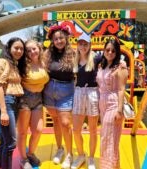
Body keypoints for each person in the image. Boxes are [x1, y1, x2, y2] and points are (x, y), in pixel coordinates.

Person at [43, 25, 75, 169]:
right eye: (56, 39)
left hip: (66, 89)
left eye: (61, 38)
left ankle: (69, 154)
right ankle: (60, 148)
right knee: (55, 121)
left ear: (66, 38)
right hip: (49, 90)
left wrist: (121, 62)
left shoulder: (74, 53)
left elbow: (90, 60)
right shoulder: (47, 54)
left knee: (66, 123)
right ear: (52, 40)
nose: (59, 40)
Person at [0, 37, 26, 169]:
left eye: (21, 49)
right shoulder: (3, 62)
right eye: (16, 48)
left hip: (14, 102)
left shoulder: (14, 64)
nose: (19, 51)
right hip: (7, 102)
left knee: (4, 140)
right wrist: (4, 111)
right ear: (9, 48)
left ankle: (0, 166)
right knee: (11, 143)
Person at [17, 40, 49, 169]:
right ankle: (23, 159)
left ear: (39, 48)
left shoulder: (44, 63)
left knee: (38, 130)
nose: (32, 52)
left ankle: (30, 153)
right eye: (28, 50)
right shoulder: (22, 64)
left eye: (34, 49)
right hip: (24, 98)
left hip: (38, 99)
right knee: (23, 132)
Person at [96, 39, 128, 169]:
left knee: (108, 139)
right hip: (103, 104)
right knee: (107, 137)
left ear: (117, 52)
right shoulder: (102, 66)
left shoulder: (120, 65)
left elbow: (121, 89)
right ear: (103, 51)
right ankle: (114, 166)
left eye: (113, 51)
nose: (110, 52)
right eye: (107, 50)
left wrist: (119, 111)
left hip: (114, 104)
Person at [71, 33, 99, 169]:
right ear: (77, 45)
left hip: (93, 93)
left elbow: (112, 59)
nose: (83, 46)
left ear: (89, 45)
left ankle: (92, 157)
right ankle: (81, 154)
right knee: (76, 130)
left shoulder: (96, 58)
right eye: (80, 43)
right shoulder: (74, 60)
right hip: (79, 93)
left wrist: (122, 63)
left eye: (85, 44)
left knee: (93, 130)